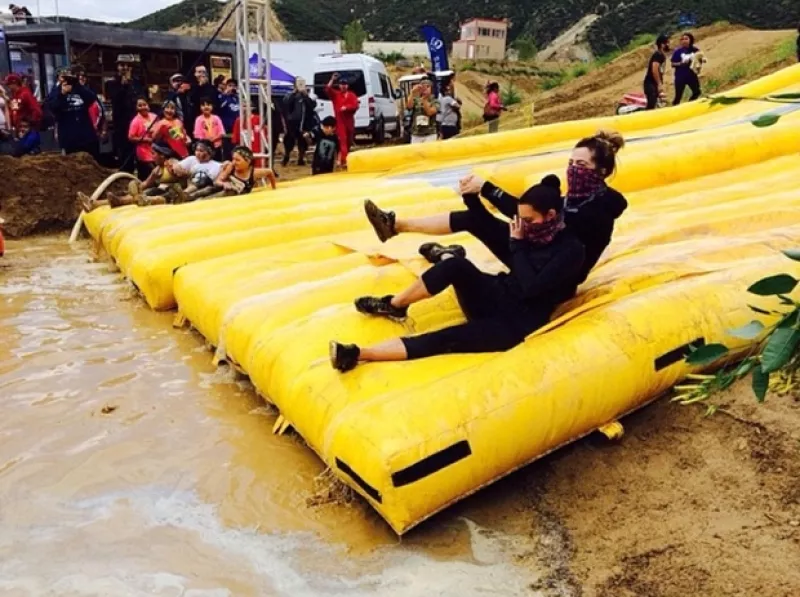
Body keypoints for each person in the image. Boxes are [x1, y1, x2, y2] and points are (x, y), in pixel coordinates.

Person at [330, 176, 586, 372]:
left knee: (446, 338)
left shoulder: (571, 250)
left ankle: (357, 354)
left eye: (529, 221)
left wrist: (517, 244)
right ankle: (395, 304)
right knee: (456, 267)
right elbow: (481, 220)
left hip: (514, 323)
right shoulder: (529, 230)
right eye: (520, 220)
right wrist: (470, 196)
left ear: (551, 216)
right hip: (498, 294)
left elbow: (531, 286)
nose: (523, 226)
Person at [364, 130, 627, 287]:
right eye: (571, 163)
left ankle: (445, 256)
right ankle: (395, 225)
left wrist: (488, 189)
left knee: (474, 236)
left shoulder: (598, 211)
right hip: (537, 251)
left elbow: (529, 217)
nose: (573, 170)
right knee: (474, 218)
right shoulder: (578, 196)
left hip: (548, 274)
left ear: (601, 172)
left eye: (581, 166)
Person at [80, 143, 183, 212]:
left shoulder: (173, 163)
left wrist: (176, 169)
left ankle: (119, 201)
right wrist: (135, 188)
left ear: (162, 156)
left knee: (147, 196)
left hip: (173, 194)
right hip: (160, 191)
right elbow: (146, 184)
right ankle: (93, 204)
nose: (152, 156)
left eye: (154, 154)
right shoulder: (156, 170)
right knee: (138, 195)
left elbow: (184, 173)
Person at [48, 72, 104, 159]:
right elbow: (53, 107)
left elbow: (92, 99)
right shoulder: (55, 91)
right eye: (63, 77)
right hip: (69, 138)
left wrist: (77, 85)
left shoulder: (80, 89)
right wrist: (62, 93)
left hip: (86, 135)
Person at [107, 55, 146, 172]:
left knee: (140, 150)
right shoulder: (112, 83)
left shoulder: (137, 82)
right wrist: (124, 85)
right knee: (124, 152)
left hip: (136, 121)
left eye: (127, 65)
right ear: (117, 67)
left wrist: (130, 84)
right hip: (121, 123)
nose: (125, 68)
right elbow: (115, 98)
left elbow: (141, 97)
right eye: (122, 65)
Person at [325, 73, 359, 167]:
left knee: (348, 141)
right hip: (340, 123)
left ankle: (343, 158)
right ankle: (344, 161)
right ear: (339, 86)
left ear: (347, 85)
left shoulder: (352, 95)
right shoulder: (336, 95)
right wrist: (332, 79)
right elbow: (327, 89)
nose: (343, 86)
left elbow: (355, 106)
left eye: (345, 84)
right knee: (342, 141)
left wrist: (346, 107)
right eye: (341, 84)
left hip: (349, 122)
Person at [282, 77, 318, 167]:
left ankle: (301, 158)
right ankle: (286, 156)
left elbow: (312, 106)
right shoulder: (290, 95)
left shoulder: (307, 96)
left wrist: (305, 95)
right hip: (292, 123)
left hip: (304, 123)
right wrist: (294, 93)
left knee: (302, 141)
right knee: (289, 141)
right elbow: (286, 105)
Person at [128, 96, 158, 181]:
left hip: (156, 151)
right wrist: (145, 139)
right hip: (144, 152)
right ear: (136, 108)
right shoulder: (135, 121)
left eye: (144, 104)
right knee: (150, 173)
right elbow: (131, 137)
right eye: (140, 105)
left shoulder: (154, 116)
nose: (143, 107)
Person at [671, 32, 702, 105]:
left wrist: (698, 64)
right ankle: (673, 110)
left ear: (690, 40)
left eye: (686, 39)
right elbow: (673, 64)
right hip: (680, 76)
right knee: (678, 96)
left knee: (697, 92)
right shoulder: (677, 51)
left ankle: (690, 105)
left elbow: (700, 58)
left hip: (692, 75)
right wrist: (681, 64)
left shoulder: (695, 50)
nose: (684, 41)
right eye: (682, 39)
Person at [407, 76, 439, 144]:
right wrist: (412, 92)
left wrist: (424, 100)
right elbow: (409, 106)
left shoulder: (435, 101)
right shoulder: (416, 99)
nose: (425, 89)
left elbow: (430, 112)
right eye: (423, 87)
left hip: (430, 134)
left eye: (428, 87)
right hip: (416, 134)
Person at [644, 34, 670, 110]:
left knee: (657, 103)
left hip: (653, 83)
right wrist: (659, 83)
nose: (668, 45)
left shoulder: (661, 55)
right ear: (662, 44)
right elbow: (654, 69)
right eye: (667, 43)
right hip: (650, 83)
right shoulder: (658, 55)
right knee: (652, 103)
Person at [218, 78, 240, 159]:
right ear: (226, 87)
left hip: (238, 131)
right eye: (230, 85)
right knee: (227, 154)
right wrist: (225, 95)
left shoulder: (238, 98)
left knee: (237, 153)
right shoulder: (221, 97)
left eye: (234, 86)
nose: (232, 88)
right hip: (226, 132)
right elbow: (219, 108)